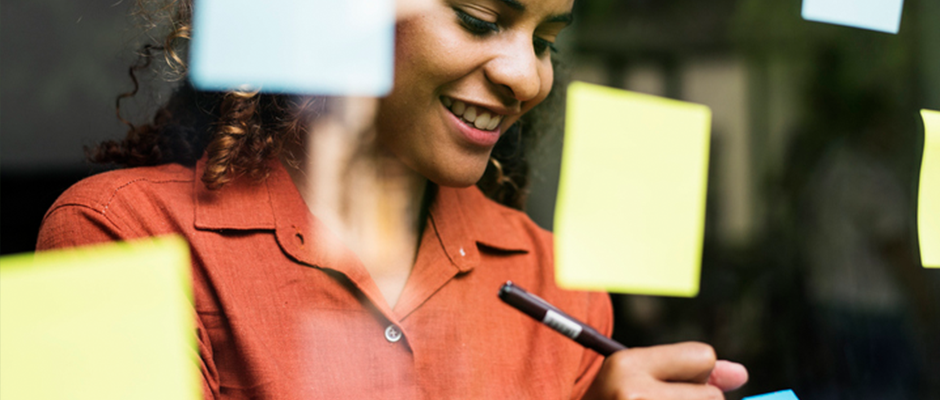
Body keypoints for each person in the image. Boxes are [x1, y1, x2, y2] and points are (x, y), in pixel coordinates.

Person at [37, 0, 748, 398]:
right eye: (479, 18)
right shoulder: (110, 237)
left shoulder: (550, 274)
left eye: (547, 42)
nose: (526, 76)